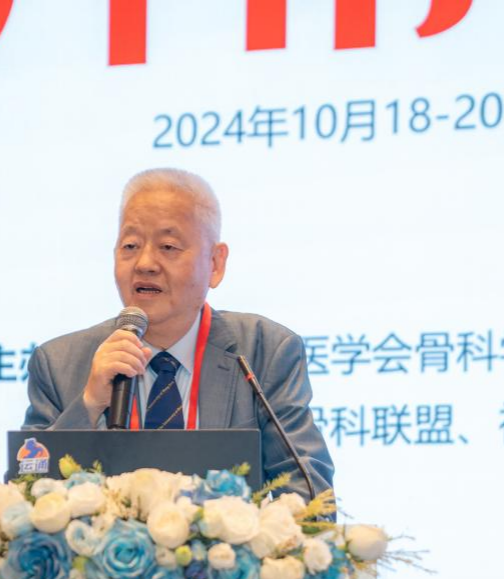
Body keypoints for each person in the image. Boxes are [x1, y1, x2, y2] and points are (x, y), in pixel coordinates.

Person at [22, 168, 333, 500]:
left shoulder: (263, 352)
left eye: (168, 246)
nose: (144, 263)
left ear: (215, 264)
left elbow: (309, 495)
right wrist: (88, 405)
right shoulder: (58, 364)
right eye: (130, 245)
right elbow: (23, 498)